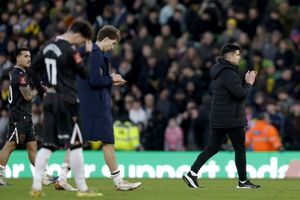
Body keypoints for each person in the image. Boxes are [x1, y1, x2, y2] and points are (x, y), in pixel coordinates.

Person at [30, 21, 102, 197]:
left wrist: (42, 91)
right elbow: (85, 74)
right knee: (76, 144)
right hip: (68, 100)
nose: (79, 44)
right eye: (82, 41)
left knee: (47, 144)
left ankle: (36, 187)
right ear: (79, 36)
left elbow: (32, 70)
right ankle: (83, 189)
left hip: (49, 99)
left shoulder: (48, 45)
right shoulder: (71, 49)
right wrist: (89, 53)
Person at [182, 44, 260, 189]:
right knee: (239, 149)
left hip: (220, 116)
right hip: (231, 118)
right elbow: (241, 94)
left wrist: (243, 81)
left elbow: (233, 89)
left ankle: (192, 173)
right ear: (230, 57)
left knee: (212, 148)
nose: (239, 57)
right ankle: (243, 182)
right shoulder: (229, 73)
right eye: (237, 54)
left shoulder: (220, 71)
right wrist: (249, 83)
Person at [77, 25, 141, 190]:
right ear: (105, 39)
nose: (112, 48)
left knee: (76, 142)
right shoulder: (96, 54)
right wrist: (112, 78)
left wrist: (110, 79)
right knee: (108, 142)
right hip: (96, 105)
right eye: (112, 44)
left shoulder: (88, 52)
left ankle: (62, 177)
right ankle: (119, 182)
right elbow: (94, 81)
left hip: (88, 104)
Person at [0, 48, 55, 186]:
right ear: (17, 58)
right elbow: (28, 95)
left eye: (30, 56)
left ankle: (43, 175)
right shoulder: (20, 74)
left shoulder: (21, 73)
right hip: (19, 115)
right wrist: (39, 88)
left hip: (25, 115)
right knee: (11, 144)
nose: (29, 58)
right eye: (25, 56)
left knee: (32, 146)